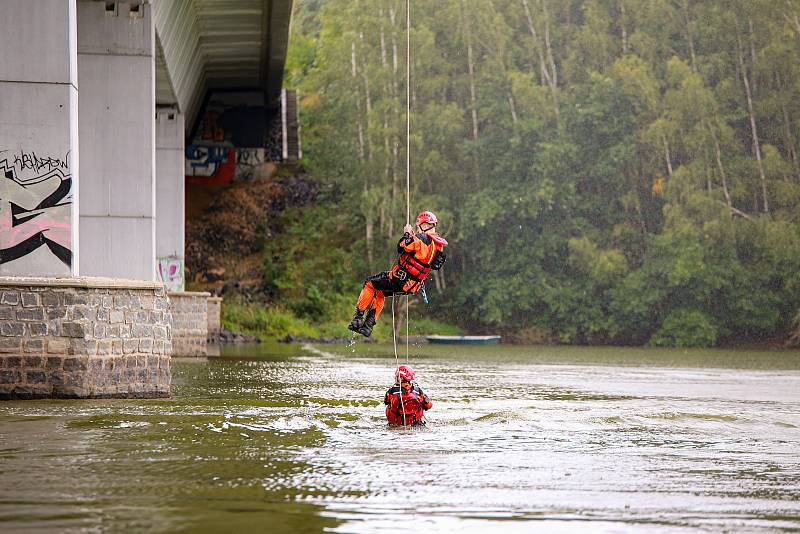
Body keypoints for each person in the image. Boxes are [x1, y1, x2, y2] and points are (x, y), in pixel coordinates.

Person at [348, 211, 448, 337]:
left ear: (426, 224)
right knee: (380, 292)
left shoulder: (421, 239)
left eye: (418, 226)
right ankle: (367, 327)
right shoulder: (438, 245)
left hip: (399, 279)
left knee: (369, 283)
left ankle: (357, 319)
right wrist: (412, 237)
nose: (417, 229)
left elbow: (401, 247)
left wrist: (407, 233)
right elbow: (431, 262)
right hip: (412, 287)